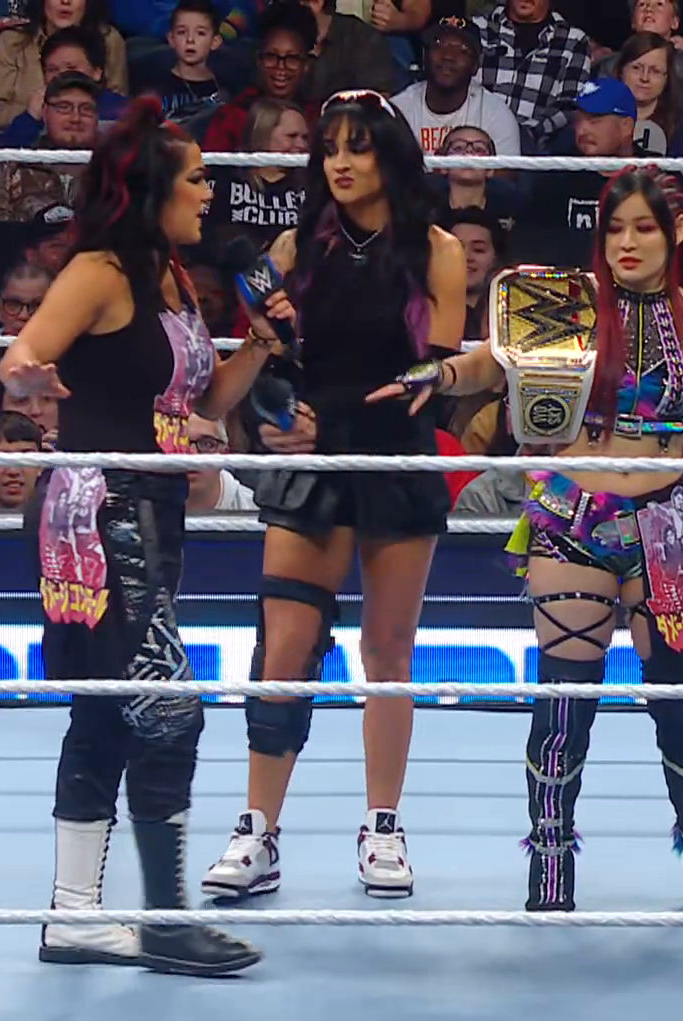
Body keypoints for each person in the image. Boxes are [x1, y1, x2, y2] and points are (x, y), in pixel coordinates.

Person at [0, 98, 285, 978]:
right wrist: (31, 378)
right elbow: (21, 358)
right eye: (198, 178)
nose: (210, 192)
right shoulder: (99, 270)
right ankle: (164, 922)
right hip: (100, 509)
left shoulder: (171, 276)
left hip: (154, 507)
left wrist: (260, 347)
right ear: (154, 188)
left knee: (106, 710)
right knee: (167, 709)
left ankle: (75, 918)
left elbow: (200, 405)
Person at [425, 166, 683, 914]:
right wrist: (436, 373)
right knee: (566, 699)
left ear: (676, 231)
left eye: (643, 227)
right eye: (614, 229)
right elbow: (491, 361)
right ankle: (549, 863)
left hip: (671, 524)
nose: (626, 243)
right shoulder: (568, 303)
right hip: (576, 516)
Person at [200, 89, 467, 904]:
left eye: (358, 147)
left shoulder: (438, 251)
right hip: (311, 461)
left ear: (390, 154)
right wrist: (283, 418)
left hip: (394, 455)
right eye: (330, 149)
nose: (341, 163)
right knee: (282, 646)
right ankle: (257, 830)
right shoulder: (293, 247)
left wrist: (371, 403)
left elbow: (437, 374)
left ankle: (383, 826)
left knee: (387, 652)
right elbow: (272, 364)